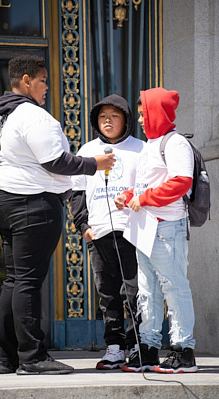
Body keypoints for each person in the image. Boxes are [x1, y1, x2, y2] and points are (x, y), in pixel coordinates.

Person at [0, 55, 115, 375]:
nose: (47, 88)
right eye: (43, 81)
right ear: (26, 80)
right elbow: (56, 162)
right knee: (28, 282)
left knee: (15, 280)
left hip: (2, 202)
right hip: (32, 205)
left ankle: (5, 357)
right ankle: (32, 358)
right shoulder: (36, 117)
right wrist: (94, 164)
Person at [115, 87, 198, 373]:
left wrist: (143, 198)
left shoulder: (175, 143)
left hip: (166, 227)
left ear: (157, 112)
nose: (139, 119)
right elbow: (148, 185)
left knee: (174, 288)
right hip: (147, 227)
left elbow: (181, 182)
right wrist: (128, 196)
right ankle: (148, 350)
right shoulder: (151, 144)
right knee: (148, 291)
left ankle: (183, 350)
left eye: (143, 113)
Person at [70, 94, 145, 370]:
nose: (108, 121)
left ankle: (139, 345)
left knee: (135, 291)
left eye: (114, 116)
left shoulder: (141, 149)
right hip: (99, 232)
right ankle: (114, 348)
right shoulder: (86, 150)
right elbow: (76, 191)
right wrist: (83, 226)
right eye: (103, 117)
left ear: (125, 119)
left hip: (132, 231)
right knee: (107, 294)